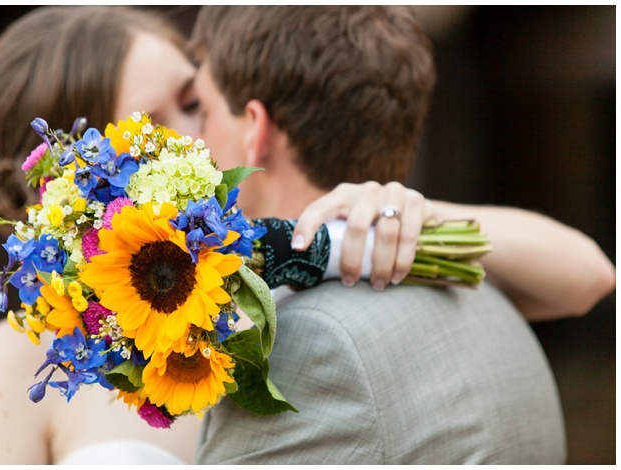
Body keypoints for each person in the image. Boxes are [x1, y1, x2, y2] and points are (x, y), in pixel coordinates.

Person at [0, 6, 434, 465]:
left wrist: (419, 212)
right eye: (156, 130)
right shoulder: (15, 364)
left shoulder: (282, 295)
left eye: (194, 104)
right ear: (90, 185)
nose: (196, 141)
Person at [188, 5, 616, 464]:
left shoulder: (309, 344)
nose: (194, 137)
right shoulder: (484, 290)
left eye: (202, 110)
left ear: (255, 127)